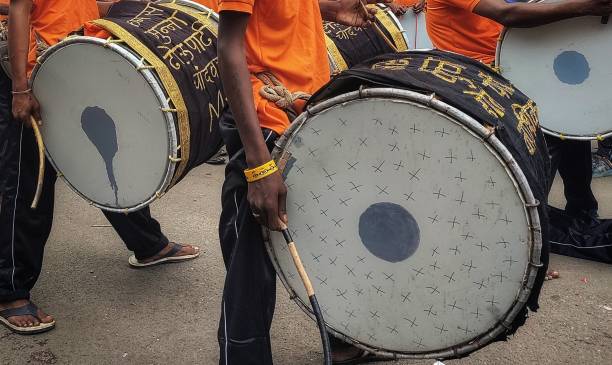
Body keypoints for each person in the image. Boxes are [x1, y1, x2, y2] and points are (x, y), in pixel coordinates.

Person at [0, 0, 200, 335]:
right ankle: (9, 291)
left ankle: (148, 244)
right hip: (33, 73)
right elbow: (21, 8)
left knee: (105, 158)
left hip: (72, 63)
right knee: (27, 180)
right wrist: (21, 88)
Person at [217, 1, 398, 363]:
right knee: (251, 257)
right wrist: (259, 166)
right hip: (266, 121)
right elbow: (229, 46)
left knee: (321, 229)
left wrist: (330, 8)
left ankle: (341, 336)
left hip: (301, 113)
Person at [425, 0, 612, 218]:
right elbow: (507, 14)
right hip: (479, 78)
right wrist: (585, 6)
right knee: (543, 136)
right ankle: (525, 220)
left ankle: (582, 211)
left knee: (570, 128)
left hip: (515, 63)